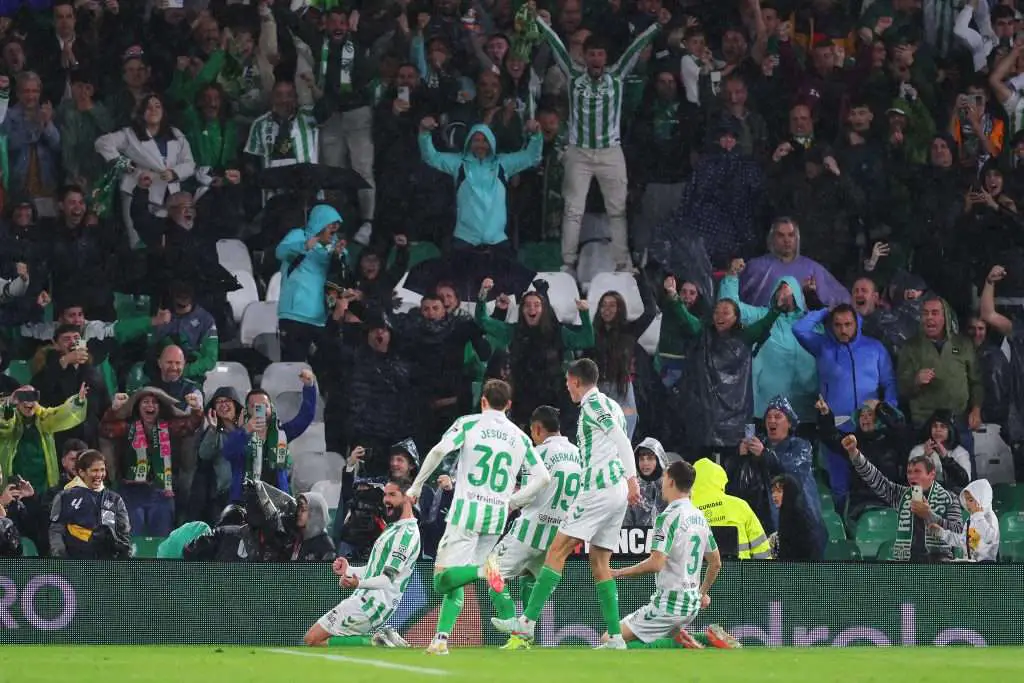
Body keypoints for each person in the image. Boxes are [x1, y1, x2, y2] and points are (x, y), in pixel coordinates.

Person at [492, 359, 639, 650]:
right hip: (616, 491)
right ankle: (616, 637)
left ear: (574, 381)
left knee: (550, 552)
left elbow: (621, 440)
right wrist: (627, 481)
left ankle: (525, 624)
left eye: (567, 383)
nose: (567, 388)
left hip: (597, 489)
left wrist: (633, 477)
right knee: (600, 563)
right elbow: (620, 437)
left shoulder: (593, 406)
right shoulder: (612, 406)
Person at [407, 379, 550, 655]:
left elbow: (439, 450)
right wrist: (514, 501)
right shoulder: (520, 436)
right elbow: (543, 477)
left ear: (483, 401)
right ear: (508, 405)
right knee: (459, 578)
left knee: (443, 579)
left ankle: (484, 573)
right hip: (496, 517)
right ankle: (441, 639)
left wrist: (416, 486)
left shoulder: (469, 423)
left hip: (466, 513)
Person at [535, 14, 663, 275]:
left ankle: (622, 263)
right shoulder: (573, 74)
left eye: (600, 54)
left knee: (617, 210)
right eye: (591, 54)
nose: (595, 59)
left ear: (605, 57)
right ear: (584, 55)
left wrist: (657, 26)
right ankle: (568, 264)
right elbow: (557, 44)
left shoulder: (617, 75)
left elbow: (636, 47)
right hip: (579, 152)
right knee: (573, 210)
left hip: (610, 152)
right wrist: (539, 22)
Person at [607, 460, 738, 651]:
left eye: (664, 477)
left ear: (670, 481)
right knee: (635, 641)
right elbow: (716, 563)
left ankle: (695, 640)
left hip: (668, 606)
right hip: (690, 607)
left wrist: (619, 573)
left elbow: (656, 563)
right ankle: (695, 638)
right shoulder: (700, 517)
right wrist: (700, 594)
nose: (661, 482)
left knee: (609, 640)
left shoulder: (667, 517)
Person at [490, 405, 583, 650]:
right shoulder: (578, 454)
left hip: (529, 529)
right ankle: (521, 640)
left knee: (491, 568)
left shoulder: (538, 452)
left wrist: (509, 503)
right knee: (530, 579)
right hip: (558, 535)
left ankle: (512, 622)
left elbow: (530, 492)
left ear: (538, 428)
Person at [303, 477, 419, 649]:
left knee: (312, 639)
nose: (386, 500)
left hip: (372, 605)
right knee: (315, 640)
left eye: (392, 495)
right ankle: (379, 641)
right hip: (365, 600)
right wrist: (349, 570)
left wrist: (358, 583)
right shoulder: (394, 528)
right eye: (385, 495)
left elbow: (387, 579)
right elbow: (375, 569)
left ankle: (379, 642)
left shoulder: (406, 535)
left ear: (410, 498)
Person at [418, 117, 542, 253]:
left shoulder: (502, 164)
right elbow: (431, 157)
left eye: (485, 141)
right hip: (464, 239)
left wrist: (536, 134)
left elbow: (531, 157)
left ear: (491, 143)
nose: (480, 145)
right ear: (469, 143)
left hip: (497, 240)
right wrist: (424, 133)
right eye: (476, 140)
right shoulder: (459, 163)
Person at [841, 434, 963, 562]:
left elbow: (958, 532)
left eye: (917, 471)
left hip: (939, 562)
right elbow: (876, 479)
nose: (911, 476)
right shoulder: (902, 495)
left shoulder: (950, 498)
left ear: (931, 474)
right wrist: (854, 453)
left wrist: (929, 515)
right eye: (909, 472)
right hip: (906, 562)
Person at [275, 204, 345, 363]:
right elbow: (280, 252)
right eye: (331, 223)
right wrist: (305, 246)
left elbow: (341, 277)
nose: (335, 227)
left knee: (325, 367)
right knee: (293, 366)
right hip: (294, 315)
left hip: (321, 318)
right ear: (320, 222)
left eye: (337, 225)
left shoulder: (334, 248)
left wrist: (339, 257)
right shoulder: (299, 236)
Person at [48, 450, 130, 559]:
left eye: (102, 470)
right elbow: (56, 530)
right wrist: (60, 556)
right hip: (75, 562)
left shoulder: (115, 499)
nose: (99, 475)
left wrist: (123, 556)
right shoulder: (64, 497)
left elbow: (123, 532)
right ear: (82, 472)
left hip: (107, 564)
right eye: (95, 470)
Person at [691, 458, 771, 560]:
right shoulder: (739, 506)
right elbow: (760, 545)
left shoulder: (684, 510)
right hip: (738, 573)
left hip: (698, 574)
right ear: (720, 479)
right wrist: (764, 573)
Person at [929, 479, 999, 562]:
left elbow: (989, 538)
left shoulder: (989, 518)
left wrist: (978, 515)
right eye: (966, 500)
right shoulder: (971, 519)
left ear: (982, 498)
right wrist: (942, 533)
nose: (967, 503)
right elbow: (964, 541)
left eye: (970, 500)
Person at [769, 474, 823, 562]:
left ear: (789, 492)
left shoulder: (798, 516)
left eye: (779, 491)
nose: (774, 495)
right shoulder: (785, 512)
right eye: (773, 491)